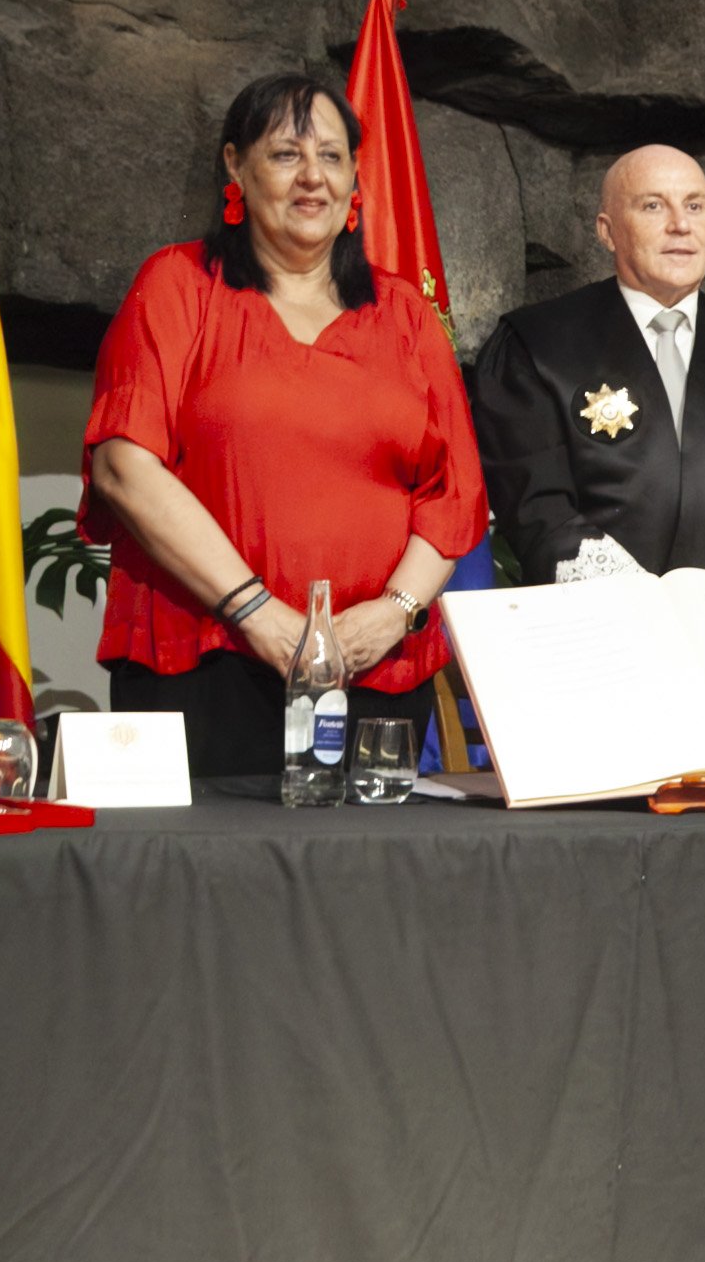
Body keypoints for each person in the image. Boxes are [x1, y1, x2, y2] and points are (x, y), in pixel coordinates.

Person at [84, 73, 487, 778]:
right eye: (285, 155)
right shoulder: (178, 286)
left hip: (376, 674)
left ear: (355, 178)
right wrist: (258, 615)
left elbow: (453, 496)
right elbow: (124, 464)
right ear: (234, 166)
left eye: (331, 157)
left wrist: (392, 615)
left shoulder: (403, 314)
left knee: (370, 886)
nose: (312, 179)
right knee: (206, 884)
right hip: (205, 660)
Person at [472, 144, 705, 586]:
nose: (680, 225)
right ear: (607, 231)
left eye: (694, 206)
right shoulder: (537, 346)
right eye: (653, 206)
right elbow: (535, 500)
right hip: (593, 621)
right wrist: (638, 604)